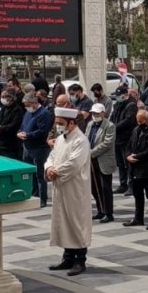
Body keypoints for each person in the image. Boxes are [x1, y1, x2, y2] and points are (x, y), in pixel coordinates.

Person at [45, 107, 91, 276]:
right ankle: (68, 258)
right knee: (63, 221)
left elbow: (75, 163)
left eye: (61, 123)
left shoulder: (81, 140)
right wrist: (49, 167)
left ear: (71, 123)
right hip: (61, 187)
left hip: (75, 188)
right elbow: (51, 157)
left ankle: (80, 260)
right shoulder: (60, 139)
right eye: (57, 123)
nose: (58, 126)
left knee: (76, 222)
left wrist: (56, 171)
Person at [124, 110, 148, 229]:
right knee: (137, 194)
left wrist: (136, 157)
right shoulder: (136, 130)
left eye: (141, 121)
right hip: (135, 168)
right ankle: (138, 217)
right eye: (138, 121)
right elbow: (129, 145)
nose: (139, 123)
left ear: (147, 120)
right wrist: (128, 155)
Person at [18, 94, 53, 207]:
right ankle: (33, 194)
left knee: (40, 174)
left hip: (39, 148)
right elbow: (23, 125)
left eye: (28, 105)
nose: (26, 107)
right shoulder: (28, 113)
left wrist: (28, 135)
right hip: (27, 147)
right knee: (29, 173)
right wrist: (20, 133)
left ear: (34, 103)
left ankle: (42, 199)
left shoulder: (44, 113)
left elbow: (43, 131)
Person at [85, 104, 116, 223]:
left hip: (103, 160)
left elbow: (107, 143)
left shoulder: (110, 126)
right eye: (93, 113)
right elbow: (86, 138)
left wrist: (91, 152)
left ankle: (108, 213)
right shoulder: (90, 124)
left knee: (105, 188)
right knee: (94, 187)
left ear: (103, 113)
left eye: (97, 114)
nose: (95, 116)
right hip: (91, 161)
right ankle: (100, 210)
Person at [112, 87, 138, 195]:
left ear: (125, 95)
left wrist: (114, 127)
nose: (117, 98)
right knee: (120, 163)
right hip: (117, 138)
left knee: (129, 164)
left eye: (119, 95)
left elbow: (128, 121)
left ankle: (132, 185)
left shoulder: (131, 105)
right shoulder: (118, 105)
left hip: (127, 138)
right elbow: (113, 117)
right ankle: (123, 184)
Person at [0, 90, 25, 160]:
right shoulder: (4, 108)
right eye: (1, 96)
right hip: (0, 143)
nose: (2, 98)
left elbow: (14, 126)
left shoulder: (18, 110)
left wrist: (0, 128)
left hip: (11, 145)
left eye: (4, 97)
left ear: (10, 98)